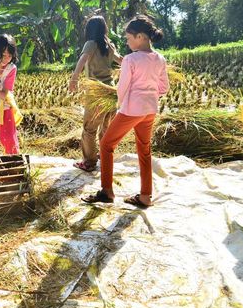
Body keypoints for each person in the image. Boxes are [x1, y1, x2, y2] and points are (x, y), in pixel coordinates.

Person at [82, 15, 169, 208]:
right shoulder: (160, 59)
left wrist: (121, 103)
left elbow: (122, 88)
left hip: (131, 110)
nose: (127, 42)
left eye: (129, 38)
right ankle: (145, 196)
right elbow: (164, 88)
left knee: (106, 145)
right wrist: (150, 94)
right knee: (144, 150)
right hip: (150, 110)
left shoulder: (131, 59)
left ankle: (106, 191)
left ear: (140, 37)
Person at [69, 15, 123, 172]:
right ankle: (103, 155)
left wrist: (73, 79)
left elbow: (82, 60)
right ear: (104, 28)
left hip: (96, 92)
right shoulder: (109, 45)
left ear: (89, 29)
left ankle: (89, 162)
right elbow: (121, 60)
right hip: (111, 91)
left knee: (89, 128)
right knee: (106, 127)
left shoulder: (91, 44)